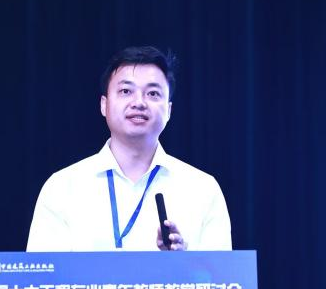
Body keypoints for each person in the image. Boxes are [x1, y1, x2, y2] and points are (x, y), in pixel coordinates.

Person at [27, 46, 231, 252]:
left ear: (169, 110)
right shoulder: (62, 188)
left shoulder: (203, 189)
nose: (139, 103)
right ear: (104, 105)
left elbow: (222, 272)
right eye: (126, 91)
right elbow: (43, 270)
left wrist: (184, 261)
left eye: (153, 93)